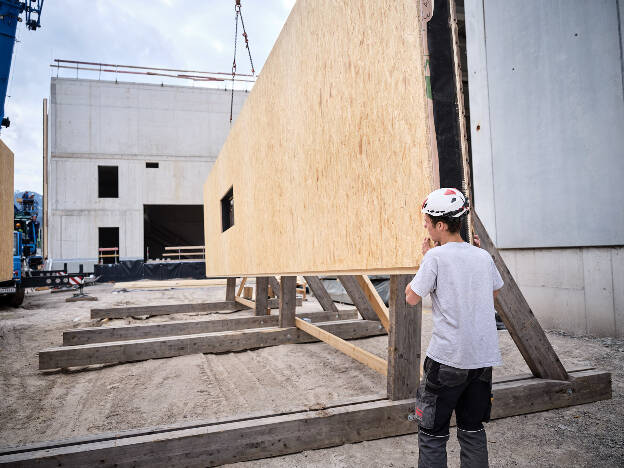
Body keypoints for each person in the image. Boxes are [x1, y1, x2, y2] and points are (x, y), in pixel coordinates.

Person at [405, 188, 504, 468]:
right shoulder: (482, 256)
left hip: (446, 361)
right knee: (472, 430)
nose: (425, 226)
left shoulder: (435, 258)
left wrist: (425, 260)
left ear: (440, 225)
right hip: (482, 362)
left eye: (427, 222)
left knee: (432, 432)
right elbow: (494, 292)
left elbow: (411, 298)